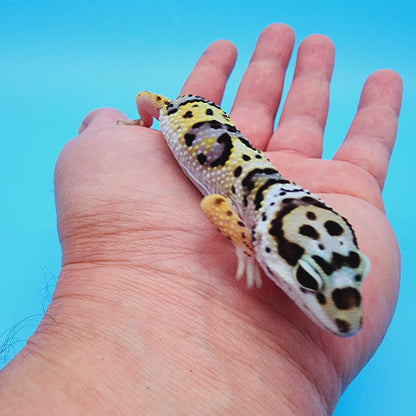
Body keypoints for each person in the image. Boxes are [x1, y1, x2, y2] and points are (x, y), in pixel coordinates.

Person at [0, 24, 402, 415]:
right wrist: (240, 240)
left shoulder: (272, 201)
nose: (350, 317)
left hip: (223, 134)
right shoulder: (244, 208)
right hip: (183, 113)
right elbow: (213, 206)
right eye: (309, 281)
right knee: (146, 96)